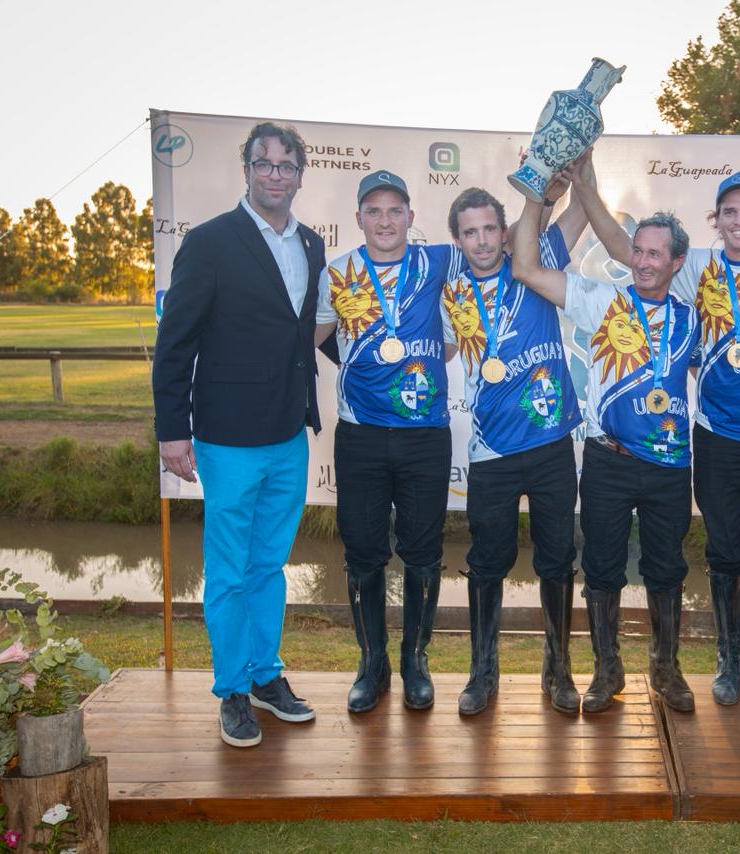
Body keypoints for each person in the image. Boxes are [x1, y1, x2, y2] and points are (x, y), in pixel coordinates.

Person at [579, 157, 740, 706]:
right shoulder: (698, 266)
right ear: (717, 220)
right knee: (723, 556)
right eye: (729, 212)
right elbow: (625, 246)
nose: (739, 220)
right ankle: (728, 662)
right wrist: (586, 185)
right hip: (715, 436)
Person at [153, 122, 325, 748]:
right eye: (264, 163)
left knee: (269, 567)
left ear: (300, 175)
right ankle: (230, 689)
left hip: (288, 435)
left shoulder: (311, 244)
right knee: (227, 572)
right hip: (226, 439)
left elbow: (306, 332)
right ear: (246, 169)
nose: (275, 174)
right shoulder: (209, 242)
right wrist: (173, 432)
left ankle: (264, 676)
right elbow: (175, 344)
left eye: (286, 165)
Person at [511, 179, 701, 714]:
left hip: (669, 463)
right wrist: (542, 194)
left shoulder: (692, 316)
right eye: (637, 251)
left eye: (655, 254)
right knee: (601, 567)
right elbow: (525, 269)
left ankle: (665, 668)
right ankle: (607, 669)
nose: (642, 262)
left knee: (667, 569)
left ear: (676, 262)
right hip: (607, 460)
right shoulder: (603, 301)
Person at [314, 170, 465, 714]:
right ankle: (372, 664)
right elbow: (315, 335)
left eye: (395, 210)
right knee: (362, 553)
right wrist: (362, 361)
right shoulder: (337, 272)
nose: (385, 221)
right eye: (374, 211)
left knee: (423, 553)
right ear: (358, 218)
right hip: (360, 436)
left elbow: (451, 343)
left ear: (410, 216)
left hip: (425, 436)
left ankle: (415, 662)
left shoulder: (437, 263)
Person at [441, 184, 589, 715]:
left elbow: (580, 213)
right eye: (470, 232)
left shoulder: (536, 258)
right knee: (486, 563)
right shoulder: (449, 292)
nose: (482, 241)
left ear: (505, 232)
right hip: (491, 452)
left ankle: (558, 668)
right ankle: (483, 672)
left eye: (489, 229)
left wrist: (570, 170)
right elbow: (438, 350)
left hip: (551, 444)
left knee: (558, 559)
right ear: (457, 240)